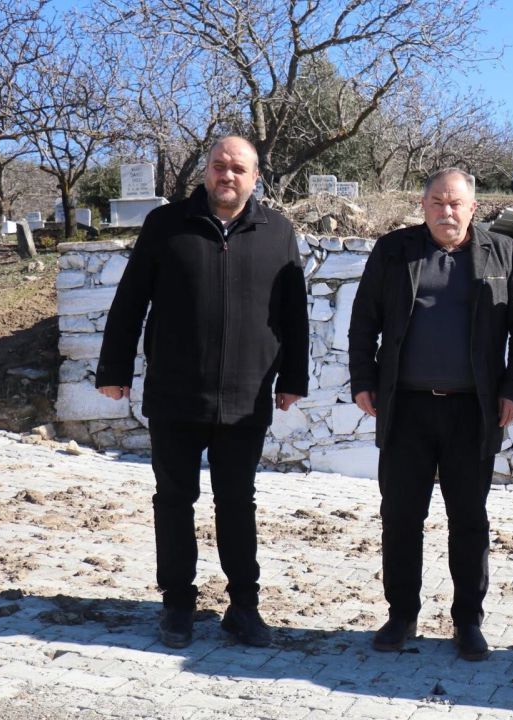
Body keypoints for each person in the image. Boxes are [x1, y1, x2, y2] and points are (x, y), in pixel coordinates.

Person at [95, 136, 309, 649]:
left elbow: (294, 313)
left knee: (237, 502)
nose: (226, 175)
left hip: (245, 397)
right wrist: (113, 369)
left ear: (255, 177)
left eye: (237, 168)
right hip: (176, 393)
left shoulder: (277, 231)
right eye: (218, 166)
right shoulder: (165, 225)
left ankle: (244, 607)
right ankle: (177, 605)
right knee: (174, 500)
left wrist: (293, 379)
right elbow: (130, 301)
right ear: (206, 171)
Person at [348, 168, 513, 661]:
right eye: (437, 202)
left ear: (474, 207)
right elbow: (364, 319)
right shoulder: (394, 250)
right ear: (423, 205)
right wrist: (363, 379)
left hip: (473, 410)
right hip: (405, 408)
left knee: (469, 518)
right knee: (401, 516)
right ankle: (401, 614)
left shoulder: (504, 253)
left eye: (455, 203)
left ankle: (468, 620)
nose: (446, 211)